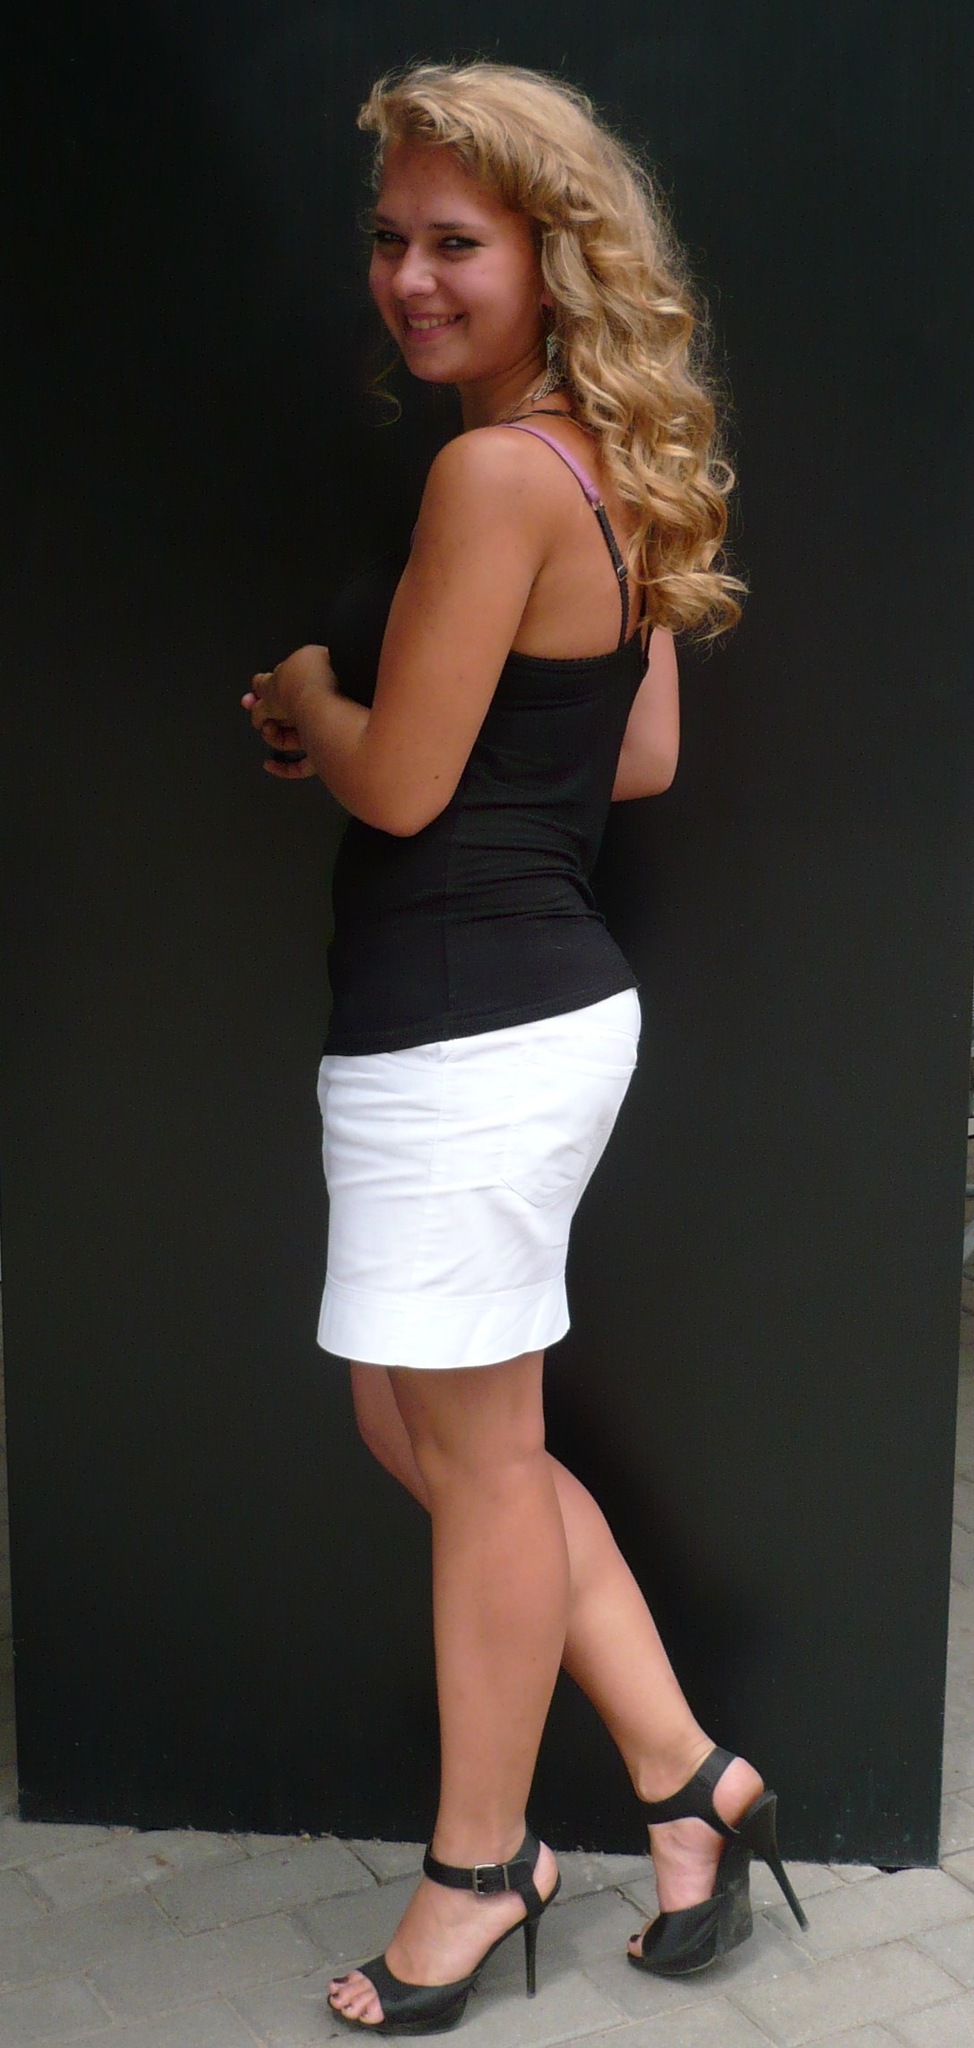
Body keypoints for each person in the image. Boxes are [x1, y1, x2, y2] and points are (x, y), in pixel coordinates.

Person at [242, 59, 806, 2036]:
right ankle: (685, 1774)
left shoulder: (491, 478)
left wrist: (310, 695)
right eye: (389, 238)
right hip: (516, 1011)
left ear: (549, 257)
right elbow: (631, 756)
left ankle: (477, 1876)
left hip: (464, 1024)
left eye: (453, 242)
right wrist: (395, 726)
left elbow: (401, 785)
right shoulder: (595, 462)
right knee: (421, 1430)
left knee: (475, 1461)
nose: (409, 275)